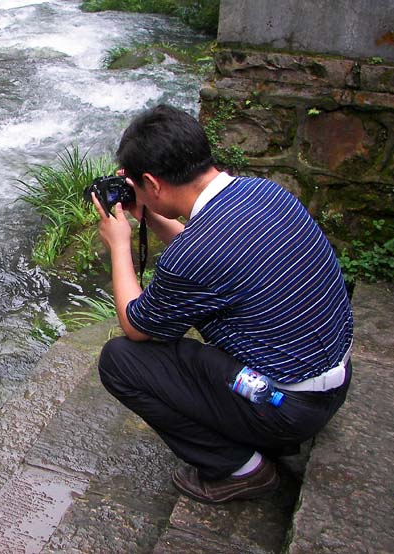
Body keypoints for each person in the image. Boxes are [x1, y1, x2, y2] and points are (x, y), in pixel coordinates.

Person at [90, 104, 354, 504]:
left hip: (286, 405)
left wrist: (120, 244)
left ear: (152, 182)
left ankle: (241, 469)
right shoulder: (266, 191)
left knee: (120, 361)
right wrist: (151, 213)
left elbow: (135, 324)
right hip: (330, 380)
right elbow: (210, 255)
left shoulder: (194, 256)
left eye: (139, 187)